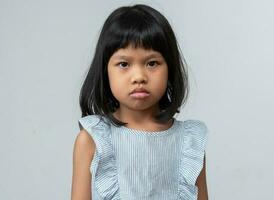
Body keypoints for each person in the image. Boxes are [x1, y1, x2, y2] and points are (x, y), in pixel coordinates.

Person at [71, 4, 209, 200]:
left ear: (170, 68)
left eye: (152, 63)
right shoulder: (92, 140)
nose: (139, 77)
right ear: (104, 71)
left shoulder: (189, 143)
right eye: (124, 64)